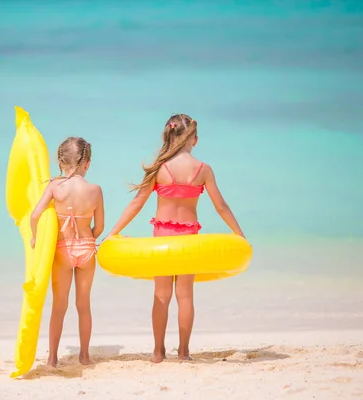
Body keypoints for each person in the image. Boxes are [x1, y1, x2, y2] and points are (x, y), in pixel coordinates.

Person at [105, 114, 244, 363]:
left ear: (170, 136)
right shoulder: (203, 170)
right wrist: (239, 234)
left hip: (163, 239)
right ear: (195, 140)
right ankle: (184, 352)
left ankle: (158, 352)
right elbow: (220, 205)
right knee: (186, 296)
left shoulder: (161, 168)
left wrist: (113, 232)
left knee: (161, 295)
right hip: (189, 240)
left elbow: (137, 203)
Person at [30, 137, 104, 367]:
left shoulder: (55, 186)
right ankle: (84, 356)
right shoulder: (95, 190)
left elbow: (35, 215)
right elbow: (99, 227)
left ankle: (52, 358)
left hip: (62, 250)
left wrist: (35, 238)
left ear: (61, 162)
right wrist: (89, 238)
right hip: (87, 250)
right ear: (87, 163)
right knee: (83, 305)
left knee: (59, 305)